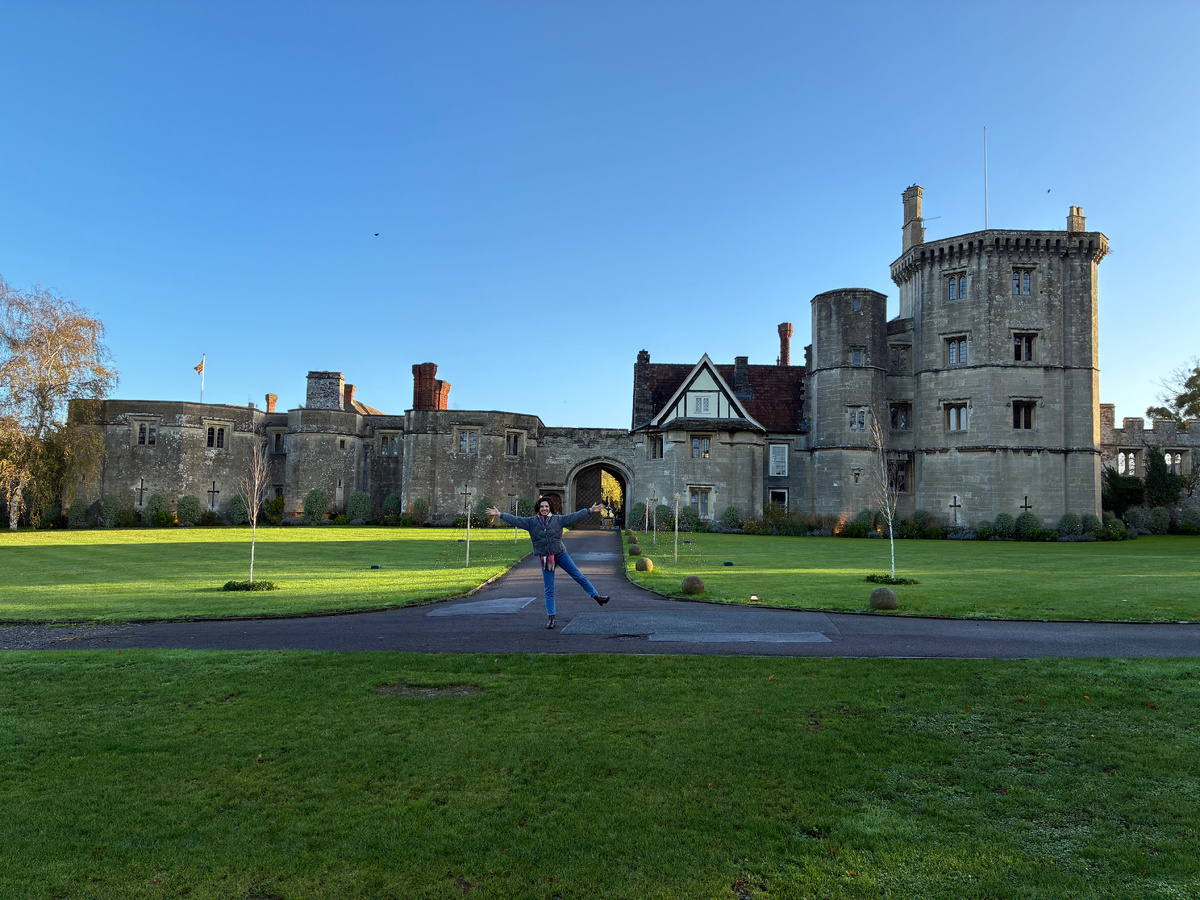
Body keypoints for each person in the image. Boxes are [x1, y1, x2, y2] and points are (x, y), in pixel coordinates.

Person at [485, 497, 610, 629]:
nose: (544, 509)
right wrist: (500, 514)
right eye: (542, 507)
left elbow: (574, 516)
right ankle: (551, 618)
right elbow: (516, 520)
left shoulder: (558, 520)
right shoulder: (532, 522)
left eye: (546, 506)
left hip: (560, 554)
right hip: (546, 558)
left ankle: (597, 597)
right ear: (538, 509)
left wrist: (589, 510)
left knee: (578, 576)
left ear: (550, 508)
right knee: (549, 588)